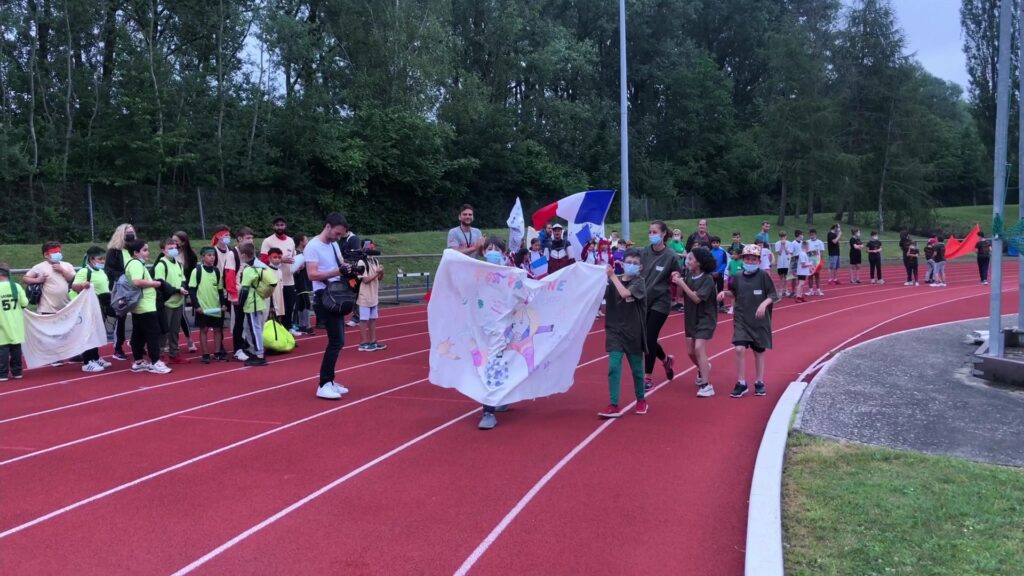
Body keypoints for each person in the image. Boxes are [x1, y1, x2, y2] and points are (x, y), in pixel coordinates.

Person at [306, 212, 356, 400]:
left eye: (341, 235)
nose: (338, 237)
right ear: (327, 227)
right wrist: (338, 270)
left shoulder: (334, 244)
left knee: (339, 340)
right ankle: (324, 383)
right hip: (324, 296)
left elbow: (341, 265)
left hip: (336, 293)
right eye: (336, 233)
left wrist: (349, 268)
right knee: (336, 341)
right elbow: (312, 274)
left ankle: (330, 380)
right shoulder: (313, 246)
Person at [598, 248, 648, 418]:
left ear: (640, 267)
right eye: (629, 262)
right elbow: (598, 295)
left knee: (637, 370)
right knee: (613, 366)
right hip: (614, 331)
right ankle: (613, 404)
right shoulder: (614, 280)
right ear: (622, 263)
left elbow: (625, 293)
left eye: (635, 263)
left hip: (633, 333)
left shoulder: (639, 283)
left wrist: (612, 277)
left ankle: (641, 399)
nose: (632, 266)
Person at [728, 244, 778, 398]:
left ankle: (759, 381)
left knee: (758, 352)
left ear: (758, 260)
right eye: (747, 258)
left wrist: (764, 303)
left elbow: (773, 295)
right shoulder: (736, 276)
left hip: (759, 320)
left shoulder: (764, 275)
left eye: (754, 259)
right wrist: (724, 294)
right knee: (739, 349)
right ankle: (741, 383)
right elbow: (733, 291)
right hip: (741, 318)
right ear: (743, 259)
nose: (750, 261)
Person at [477, 237, 516, 430]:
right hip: (479, 329)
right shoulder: (474, 272)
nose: (492, 252)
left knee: (493, 365)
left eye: (497, 249)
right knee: (486, 366)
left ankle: (488, 412)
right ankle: (499, 397)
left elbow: (524, 293)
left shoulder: (510, 275)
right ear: (483, 252)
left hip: (501, 330)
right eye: (489, 248)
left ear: (503, 253)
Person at [639, 221, 683, 390]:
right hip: (643, 300)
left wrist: (676, 275)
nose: (651, 235)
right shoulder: (644, 252)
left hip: (661, 302)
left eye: (655, 231)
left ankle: (647, 377)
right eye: (650, 232)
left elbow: (677, 273)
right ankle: (666, 360)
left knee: (649, 338)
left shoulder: (671, 256)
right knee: (645, 339)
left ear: (664, 233)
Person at [670, 247, 718, 398]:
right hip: (690, 317)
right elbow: (681, 294)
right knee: (690, 352)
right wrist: (677, 280)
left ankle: (706, 385)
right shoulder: (689, 275)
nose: (687, 261)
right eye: (687, 258)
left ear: (699, 262)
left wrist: (682, 283)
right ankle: (703, 367)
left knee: (699, 348)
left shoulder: (708, 279)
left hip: (705, 317)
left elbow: (697, 299)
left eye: (691, 259)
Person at [124, 239, 171, 374]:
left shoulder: (134, 264)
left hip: (142, 305)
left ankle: (138, 361)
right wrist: (154, 284)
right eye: (144, 250)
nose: (147, 253)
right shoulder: (135, 264)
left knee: (138, 334)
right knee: (152, 334)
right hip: (145, 306)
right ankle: (155, 361)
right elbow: (137, 281)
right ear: (136, 252)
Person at [70, 247, 112, 372]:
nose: (102, 261)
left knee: (97, 333)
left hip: (100, 307)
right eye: (100, 259)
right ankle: (87, 361)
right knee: (89, 334)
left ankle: (95, 357)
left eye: (103, 258)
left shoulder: (101, 272)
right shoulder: (84, 271)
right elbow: (74, 286)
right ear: (91, 259)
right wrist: (83, 285)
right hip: (88, 308)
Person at [154, 238, 190, 365]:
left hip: (178, 302)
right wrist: (176, 290)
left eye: (175, 248)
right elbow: (161, 285)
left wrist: (184, 288)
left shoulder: (178, 264)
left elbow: (183, 280)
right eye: (170, 248)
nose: (174, 250)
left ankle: (174, 354)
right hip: (166, 303)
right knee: (164, 330)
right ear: (163, 250)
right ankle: (160, 355)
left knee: (175, 330)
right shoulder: (161, 265)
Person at [189, 246, 227, 364]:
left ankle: (217, 352)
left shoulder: (216, 271)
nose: (212, 257)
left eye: (213, 255)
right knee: (204, 330)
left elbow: (220, 290)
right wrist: (197, 306)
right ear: (203, 257)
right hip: (203, 308)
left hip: (215, 306)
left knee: (217, 330)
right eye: (209, 255)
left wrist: (223, 304)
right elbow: (192, 290)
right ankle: (205, 354)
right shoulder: (197, 271)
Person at [105, 223, 136, 360]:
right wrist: (122, 277)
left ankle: (136, 343)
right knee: (121, 317)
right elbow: (109, 270)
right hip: (121, 288)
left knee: (139, 316)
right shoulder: (114, 251)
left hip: (135, 287)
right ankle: (118, 347)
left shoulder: (135, 250)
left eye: (131, 232)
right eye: (127, 232)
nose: (130, 234)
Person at [260, 217, 298, 328]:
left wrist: (299, 265)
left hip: (289, 280)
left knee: (289, 308)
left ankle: (287, 334)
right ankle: (276, 337)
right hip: (274, 281)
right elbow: (263, 261)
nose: (279, 227)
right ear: (273, 226)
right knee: (277, 311)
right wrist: (281, 260)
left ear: (285, 226)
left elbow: (293, 257)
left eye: (282, 225)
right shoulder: (268, 241)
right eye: (277, 225)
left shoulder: (291, 241)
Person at [237, 243, 271, 367]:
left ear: (244, 255)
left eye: (241, 255)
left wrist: (240, 303)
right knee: (256, 328)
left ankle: (259, 354)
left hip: (252, 303)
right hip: (259, 300)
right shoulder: (260, 266)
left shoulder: (248, 270)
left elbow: (244, 289)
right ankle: (259, 352)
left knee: (255, 330)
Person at [0, 262, 28, 381]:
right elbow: (24, 303)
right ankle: (17, 372)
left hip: (2, 322)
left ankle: (2, 374)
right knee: (16, 348)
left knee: (2, 349)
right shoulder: (16, 286)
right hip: (16, 323)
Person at [172, 231, 199, 353]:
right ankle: (171, 341)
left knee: (181, 314)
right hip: (169, 287)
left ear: (183, 242)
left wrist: (185, 286)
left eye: (176, 241)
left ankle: (189, 339)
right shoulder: (170, 252)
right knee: (169, 316)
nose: (174, 243)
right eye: (172, 241)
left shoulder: (190, 256)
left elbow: (191, 273)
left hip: (183, 287)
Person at [356, 247, 386, 352]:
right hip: (365, 295)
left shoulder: (375, 260)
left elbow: (380, 278)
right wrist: (377, 273)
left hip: (374, 295)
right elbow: (365, 280)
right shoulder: (361, 262)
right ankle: (363, 342)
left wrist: (381, 272)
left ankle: (373, 340)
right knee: (364, 319)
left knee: (373, 319)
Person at [291, 233, 315, 335]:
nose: (308, 241)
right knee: (304, 303)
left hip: (305, 281)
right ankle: (304, 325)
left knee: (304, 302)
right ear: (301, 241)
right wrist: (299, 267)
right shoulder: (296, 253)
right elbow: (293, 268)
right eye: (306, 239)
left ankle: (304, 324)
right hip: (299, 282)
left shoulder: (305, 252)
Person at [806, 229, 825, 296]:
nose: (812, 236)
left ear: (816, 234)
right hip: (810, 262)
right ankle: (810, 290)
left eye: (813, 234)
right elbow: (805, 252)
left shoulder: (820, 242)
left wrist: (821, 261)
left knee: (817, 276)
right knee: (810, 276)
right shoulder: (807, 242)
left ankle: (818, 290)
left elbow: (822, 252)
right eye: (811, 234)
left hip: (817, 261)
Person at [773, 231, 792, 297]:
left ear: (786, 236)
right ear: (779, 237)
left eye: (784, 236)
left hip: (787, 262)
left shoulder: (789, 243)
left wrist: (785, 246)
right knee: (781, 278)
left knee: (786, 278)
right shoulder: (777, 243)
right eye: (781, 237)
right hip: (780, 263)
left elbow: (788, 253)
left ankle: (786, 290)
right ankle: (780, 291)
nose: (783, 238)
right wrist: (782, 245)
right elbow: (779, 253)